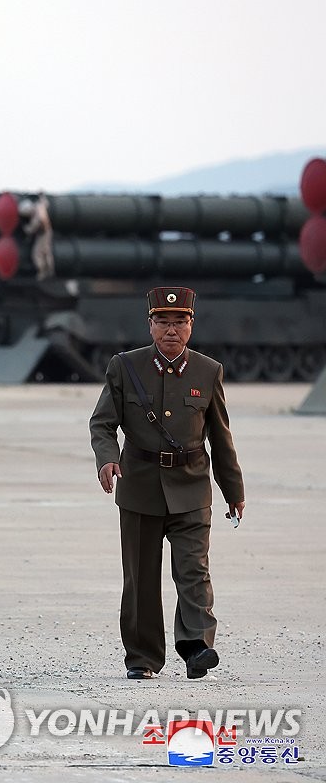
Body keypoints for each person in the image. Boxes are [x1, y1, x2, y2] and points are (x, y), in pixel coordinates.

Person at [89, 286, 245, 681]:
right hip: (139, 487)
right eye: (163, 322)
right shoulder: (125, 367)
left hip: (192, 487)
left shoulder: (208, 372)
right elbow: (103, 423)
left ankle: (196, 647)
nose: (171, 330)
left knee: (194, 571)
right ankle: (142, 659)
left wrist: (234, 491)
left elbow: (221, 436)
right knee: (140, 579)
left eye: (179, 322)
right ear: (151, 325)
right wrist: (108, 459)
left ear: (191, 325)